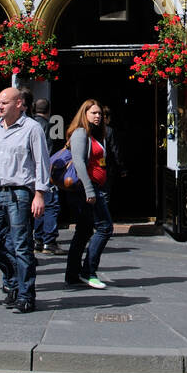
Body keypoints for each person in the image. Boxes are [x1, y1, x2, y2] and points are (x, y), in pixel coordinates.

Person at [0, 87, 50, 313]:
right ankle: (13, 277)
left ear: (19, 104)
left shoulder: (32, 128)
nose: (0, 106)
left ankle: (26, 294)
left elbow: (41, 162)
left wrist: (40, 194)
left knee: (21, 245)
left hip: (20, 194)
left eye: (5, 102)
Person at [63, 99, 113, 290]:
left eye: (99, 113)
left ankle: (72, 274)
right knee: (105, 228)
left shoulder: (94, 134)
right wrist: (90, 190)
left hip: (94, 187)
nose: (98, 116)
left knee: (83, 232)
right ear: (84, 114)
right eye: (93, 113)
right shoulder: (80, 133)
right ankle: (88, 271)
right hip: (88, 188)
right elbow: (79, 163)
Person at [31, 99, 64, 255]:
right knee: (51, 205)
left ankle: (38, 239)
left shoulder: (30, 125)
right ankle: (49, 241)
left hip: (32, 172)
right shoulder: (45, 126)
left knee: (39, 207)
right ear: (49, 110)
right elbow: (47, 153)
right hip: (44, 172)